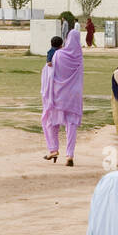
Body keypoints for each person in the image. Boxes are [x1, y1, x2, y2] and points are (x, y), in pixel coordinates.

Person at [45, 25, 83, 166]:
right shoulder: (79, 56)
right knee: (71, 125)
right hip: (74, 95)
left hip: (59, 94)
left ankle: (53, 149)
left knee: (51, 121)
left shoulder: (59, 54)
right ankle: (69, 155)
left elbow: (50, 72)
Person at [41, 36, 64, 160]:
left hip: (51, 97)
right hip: (62, 96)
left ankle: (53, 149)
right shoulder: (65, 57)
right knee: (55, 122)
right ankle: (62, 152)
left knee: (48, 122)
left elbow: (47, 81)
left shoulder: (51, 62)